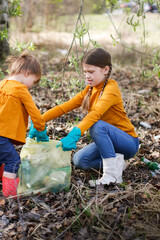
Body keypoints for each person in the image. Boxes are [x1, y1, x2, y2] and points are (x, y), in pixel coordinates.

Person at [30, 48, 139, 185]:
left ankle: (112, 176)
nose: (87, 76)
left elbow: (95, 114)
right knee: (80, 161)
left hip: (127, 142)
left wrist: (75, 133)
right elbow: (64, 107)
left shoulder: (111, 89)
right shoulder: (89, 90)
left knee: (97, 125)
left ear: (105, 70)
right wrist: (39, 120)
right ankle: (118, 162)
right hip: (109, 143)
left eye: (91, 72)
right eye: (86, 72)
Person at [0, 51, 48, 198]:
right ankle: (11, 194)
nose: (31, 86)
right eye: (33, 81)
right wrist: (41, 129)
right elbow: (35, 114)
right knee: (13, 160)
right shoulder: (21, 89)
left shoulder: (0, 84)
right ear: (27, 73)